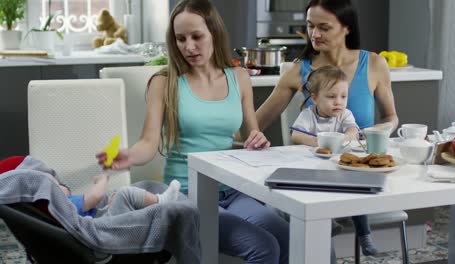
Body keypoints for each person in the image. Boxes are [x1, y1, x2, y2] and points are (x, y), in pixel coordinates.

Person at [96, 0, 289, 263]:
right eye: (180, 38)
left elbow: (250, 138)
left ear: (214, 32)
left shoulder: (240, 78)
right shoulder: (164, 83)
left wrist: (257, 141)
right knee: (264, 247)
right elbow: (148, 143)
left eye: (197, 36)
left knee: (287, 236)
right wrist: (129, 155)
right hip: (188, 194)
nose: (189, 46)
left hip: (233, 191)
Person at [256, 0, 398, 134]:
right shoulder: (297, 70)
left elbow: (390, 117)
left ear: (347, 28)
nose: (315, 34)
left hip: (361, 157)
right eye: (310, 26)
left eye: (324, 28)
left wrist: (377, 132)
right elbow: (254, 126)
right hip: (317, 157)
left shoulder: (375, 64)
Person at [290, 65, 378, 255]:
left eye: (343, 97)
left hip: (340, 170)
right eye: (331, 97)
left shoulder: (345, 115)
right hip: (315, 171)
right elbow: (296, 135)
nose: (338, 102)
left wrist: (346, 136)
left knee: (358, 194)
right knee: (316, 195)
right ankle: (330, 223)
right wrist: (317, 142)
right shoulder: (308, 115)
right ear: (315, 98)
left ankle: (365, 235)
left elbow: (353, 131)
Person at [54, 173, 181, 218]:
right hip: (99, 227)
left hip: (99, 218)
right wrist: (102, 179)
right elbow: (95, 197)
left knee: (117, 194)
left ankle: (149, 206)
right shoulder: (64, 203)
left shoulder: (67, 203)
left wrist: (109, 206)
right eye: (58, 185)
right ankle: (162, 200)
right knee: (124, 193)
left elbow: (93, 213)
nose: (63, 185)